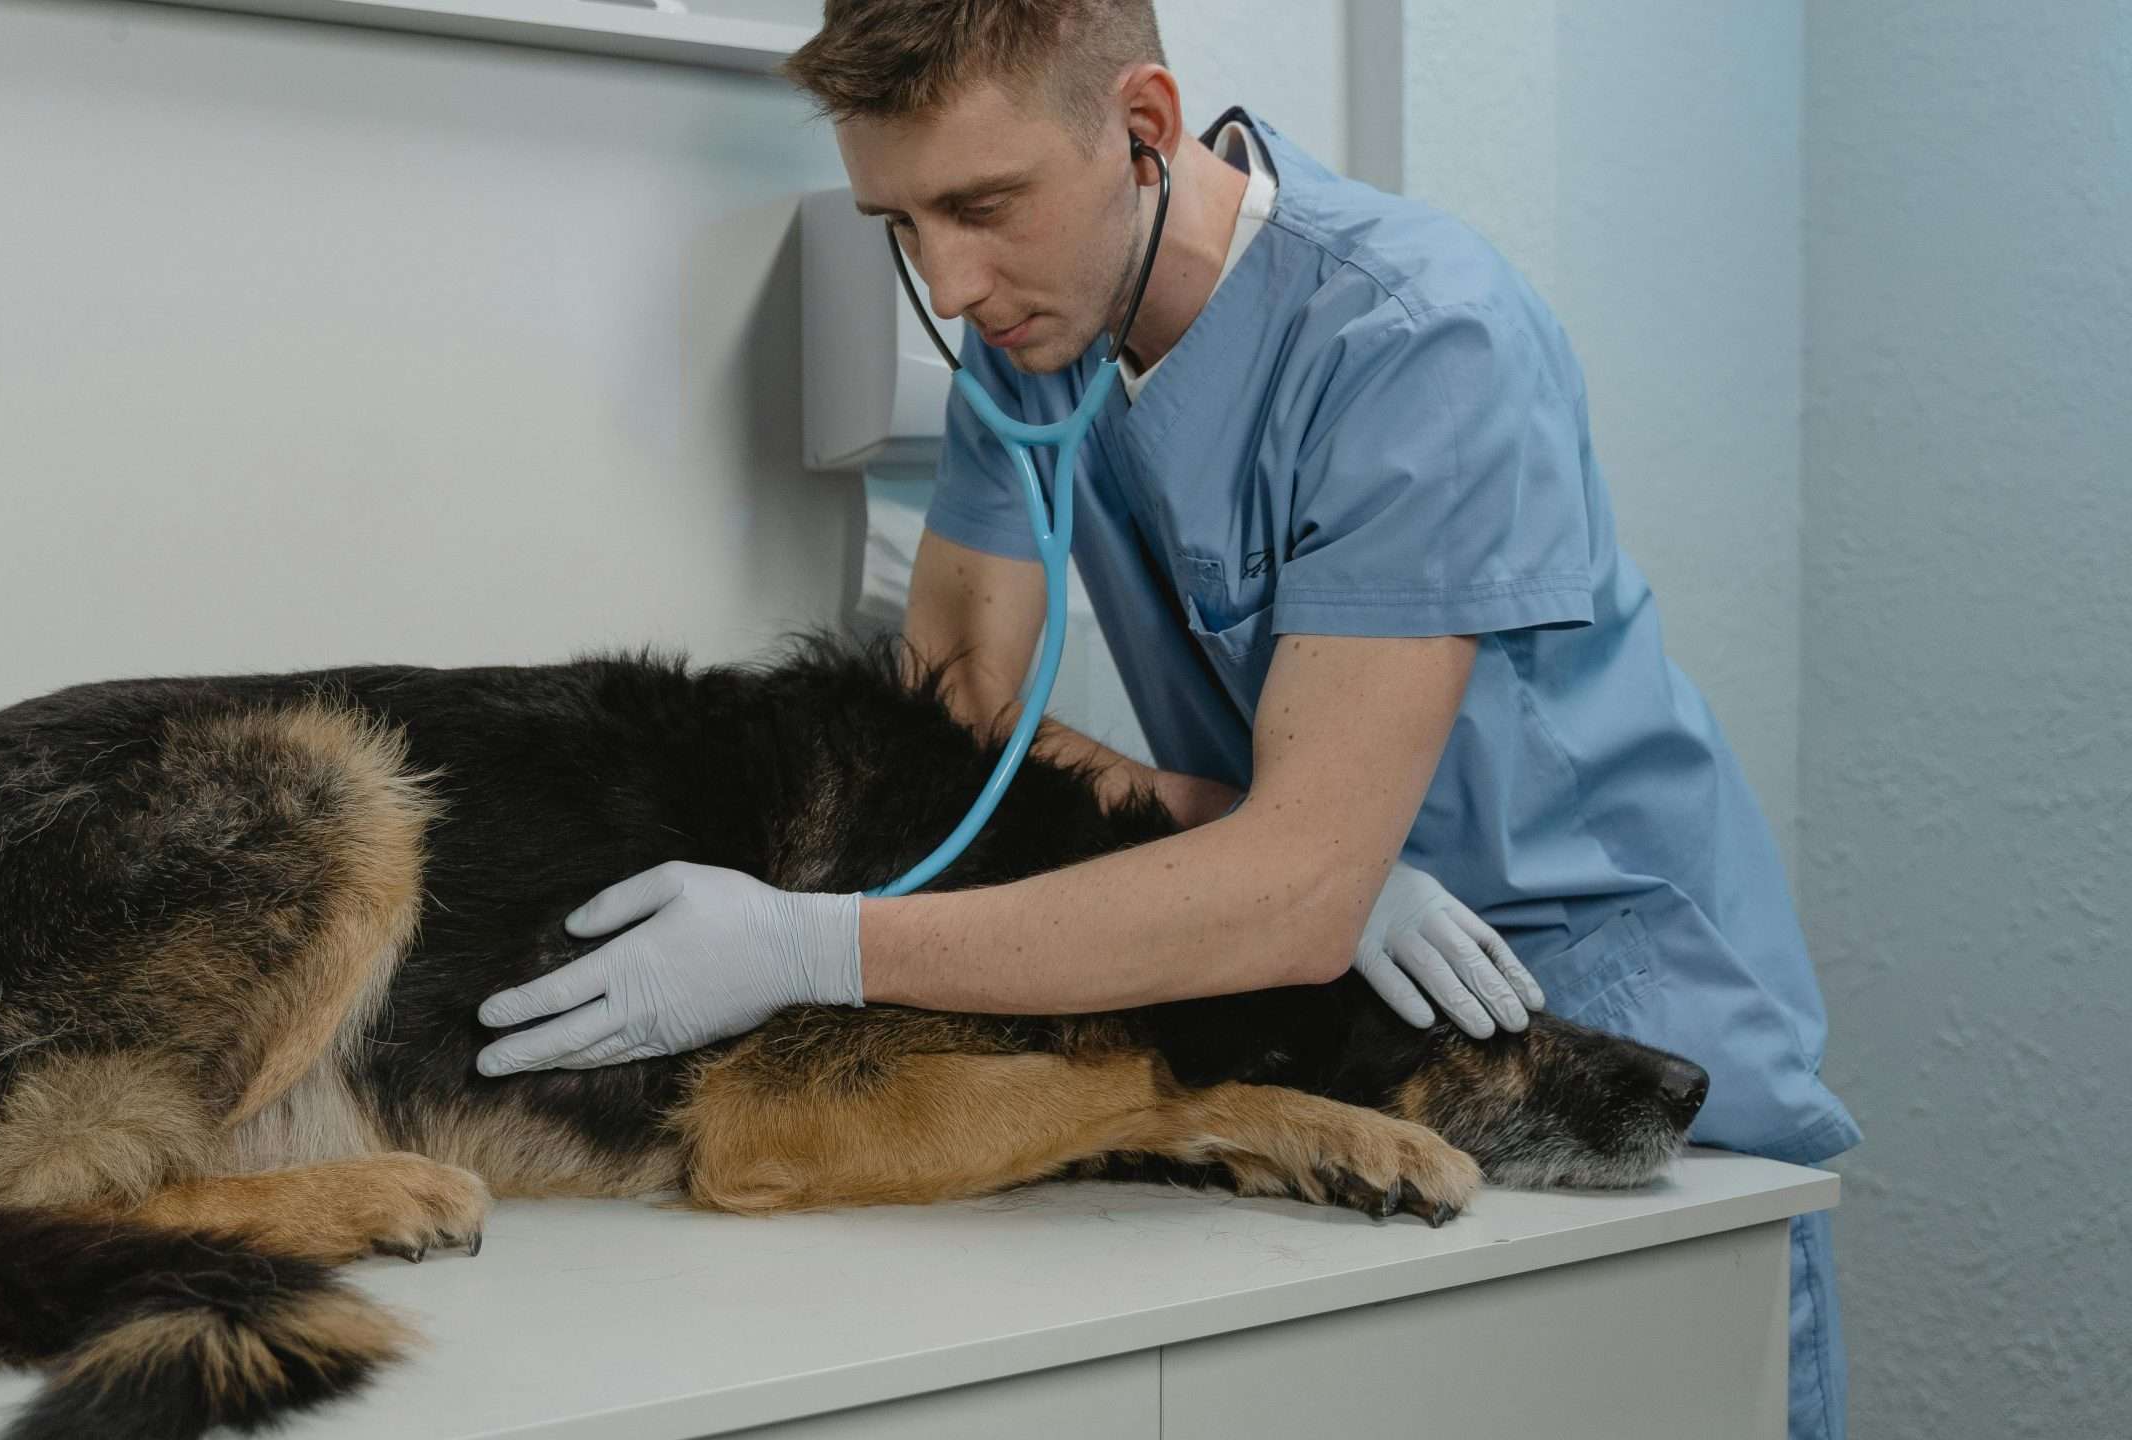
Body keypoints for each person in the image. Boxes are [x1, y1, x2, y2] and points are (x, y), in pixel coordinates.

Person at [474, 4, 1857, 1436]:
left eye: (983, 207)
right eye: (902, 222)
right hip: (1319, 1012)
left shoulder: (1415, 342)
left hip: (1585, 1017)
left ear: (1144, 127)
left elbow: (1302, 896)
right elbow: (956, 725)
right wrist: (1245, 836)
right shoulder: (1033, 341)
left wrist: (809, 945)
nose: (948, 283)